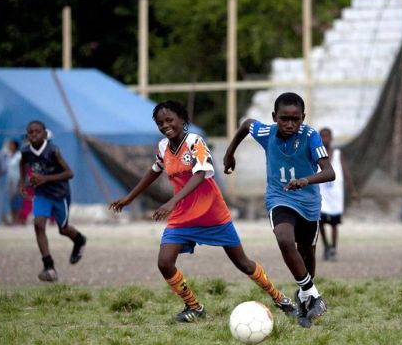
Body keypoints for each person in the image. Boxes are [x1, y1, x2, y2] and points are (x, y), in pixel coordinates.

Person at [109, 100, 295, 323]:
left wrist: (170, 202)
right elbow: (154, 170)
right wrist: (129, 197)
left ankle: (280, 299)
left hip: (212, 214)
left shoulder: (195, 142)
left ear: (182, 120)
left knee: (242, 263)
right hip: (182, 217)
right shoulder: (162, 147)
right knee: (164, 262)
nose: (165, 125)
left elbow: (200, 174)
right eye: (160, 122)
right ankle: (194, 307)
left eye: (170, 120)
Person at [224, 92, 336, 328]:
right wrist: (229, 153)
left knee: (307, 257)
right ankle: (314, 296)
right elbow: (246, 125)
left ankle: (306, 299)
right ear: (274, 116)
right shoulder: (267, 133)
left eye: (295, 119)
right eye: (284, 118)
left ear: (303, 118)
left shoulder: (310, 136)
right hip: (279, 197)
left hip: (308, 204)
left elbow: (329, 172)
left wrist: (305, 180)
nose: (289, 124)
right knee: (285, 239)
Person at [19, 121, 87, 282]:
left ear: (44, 134)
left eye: (37, 131)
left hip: (59, 194)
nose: (34, 134)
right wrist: (22, 182)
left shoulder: (53, 151)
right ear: (27, 135)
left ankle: (79, 240)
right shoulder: (25, 151)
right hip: (42, 194)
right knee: (38, 224)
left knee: (63, 229)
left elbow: (69, 173)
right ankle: (48, 267)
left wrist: (45, 178)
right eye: (30, 132)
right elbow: (22, 164)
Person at [317, 127, 359, 261]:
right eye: (322, 137)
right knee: (320, 222)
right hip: (321, 193)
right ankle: (326, 246)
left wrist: (353, 190)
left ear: (331, 138)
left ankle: (334, 247)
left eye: (327, 136)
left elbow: (346, 172)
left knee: (334, 224)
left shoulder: (338, 154)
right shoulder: (316, 154)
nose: (325, 139)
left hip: (335, 194)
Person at [5, 139, 23, 224]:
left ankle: (17, 219)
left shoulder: (19, 156)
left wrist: (21, 182)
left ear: (15, 146)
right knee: (11, 200)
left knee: (17, 200)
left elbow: (22, 170)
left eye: (11, 145)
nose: (9, 147)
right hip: (9, 181)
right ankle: (13, 219)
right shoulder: (8, 156)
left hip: (17, 180)